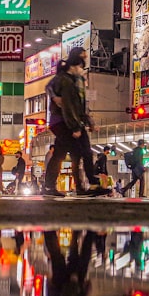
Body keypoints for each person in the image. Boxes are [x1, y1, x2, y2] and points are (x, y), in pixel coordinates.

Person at [43, 48, 106, 196]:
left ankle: (55, 187)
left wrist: (88, 122)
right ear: (74, 65)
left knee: (64, 154)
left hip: (68, 122)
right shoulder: (66, 80)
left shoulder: (76, 81)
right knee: (80, 152)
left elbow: (80, 106)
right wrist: (75, 127)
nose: (83, 69)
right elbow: (69, 106)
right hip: (64, 122)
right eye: (81, 65)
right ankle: (89, 185)